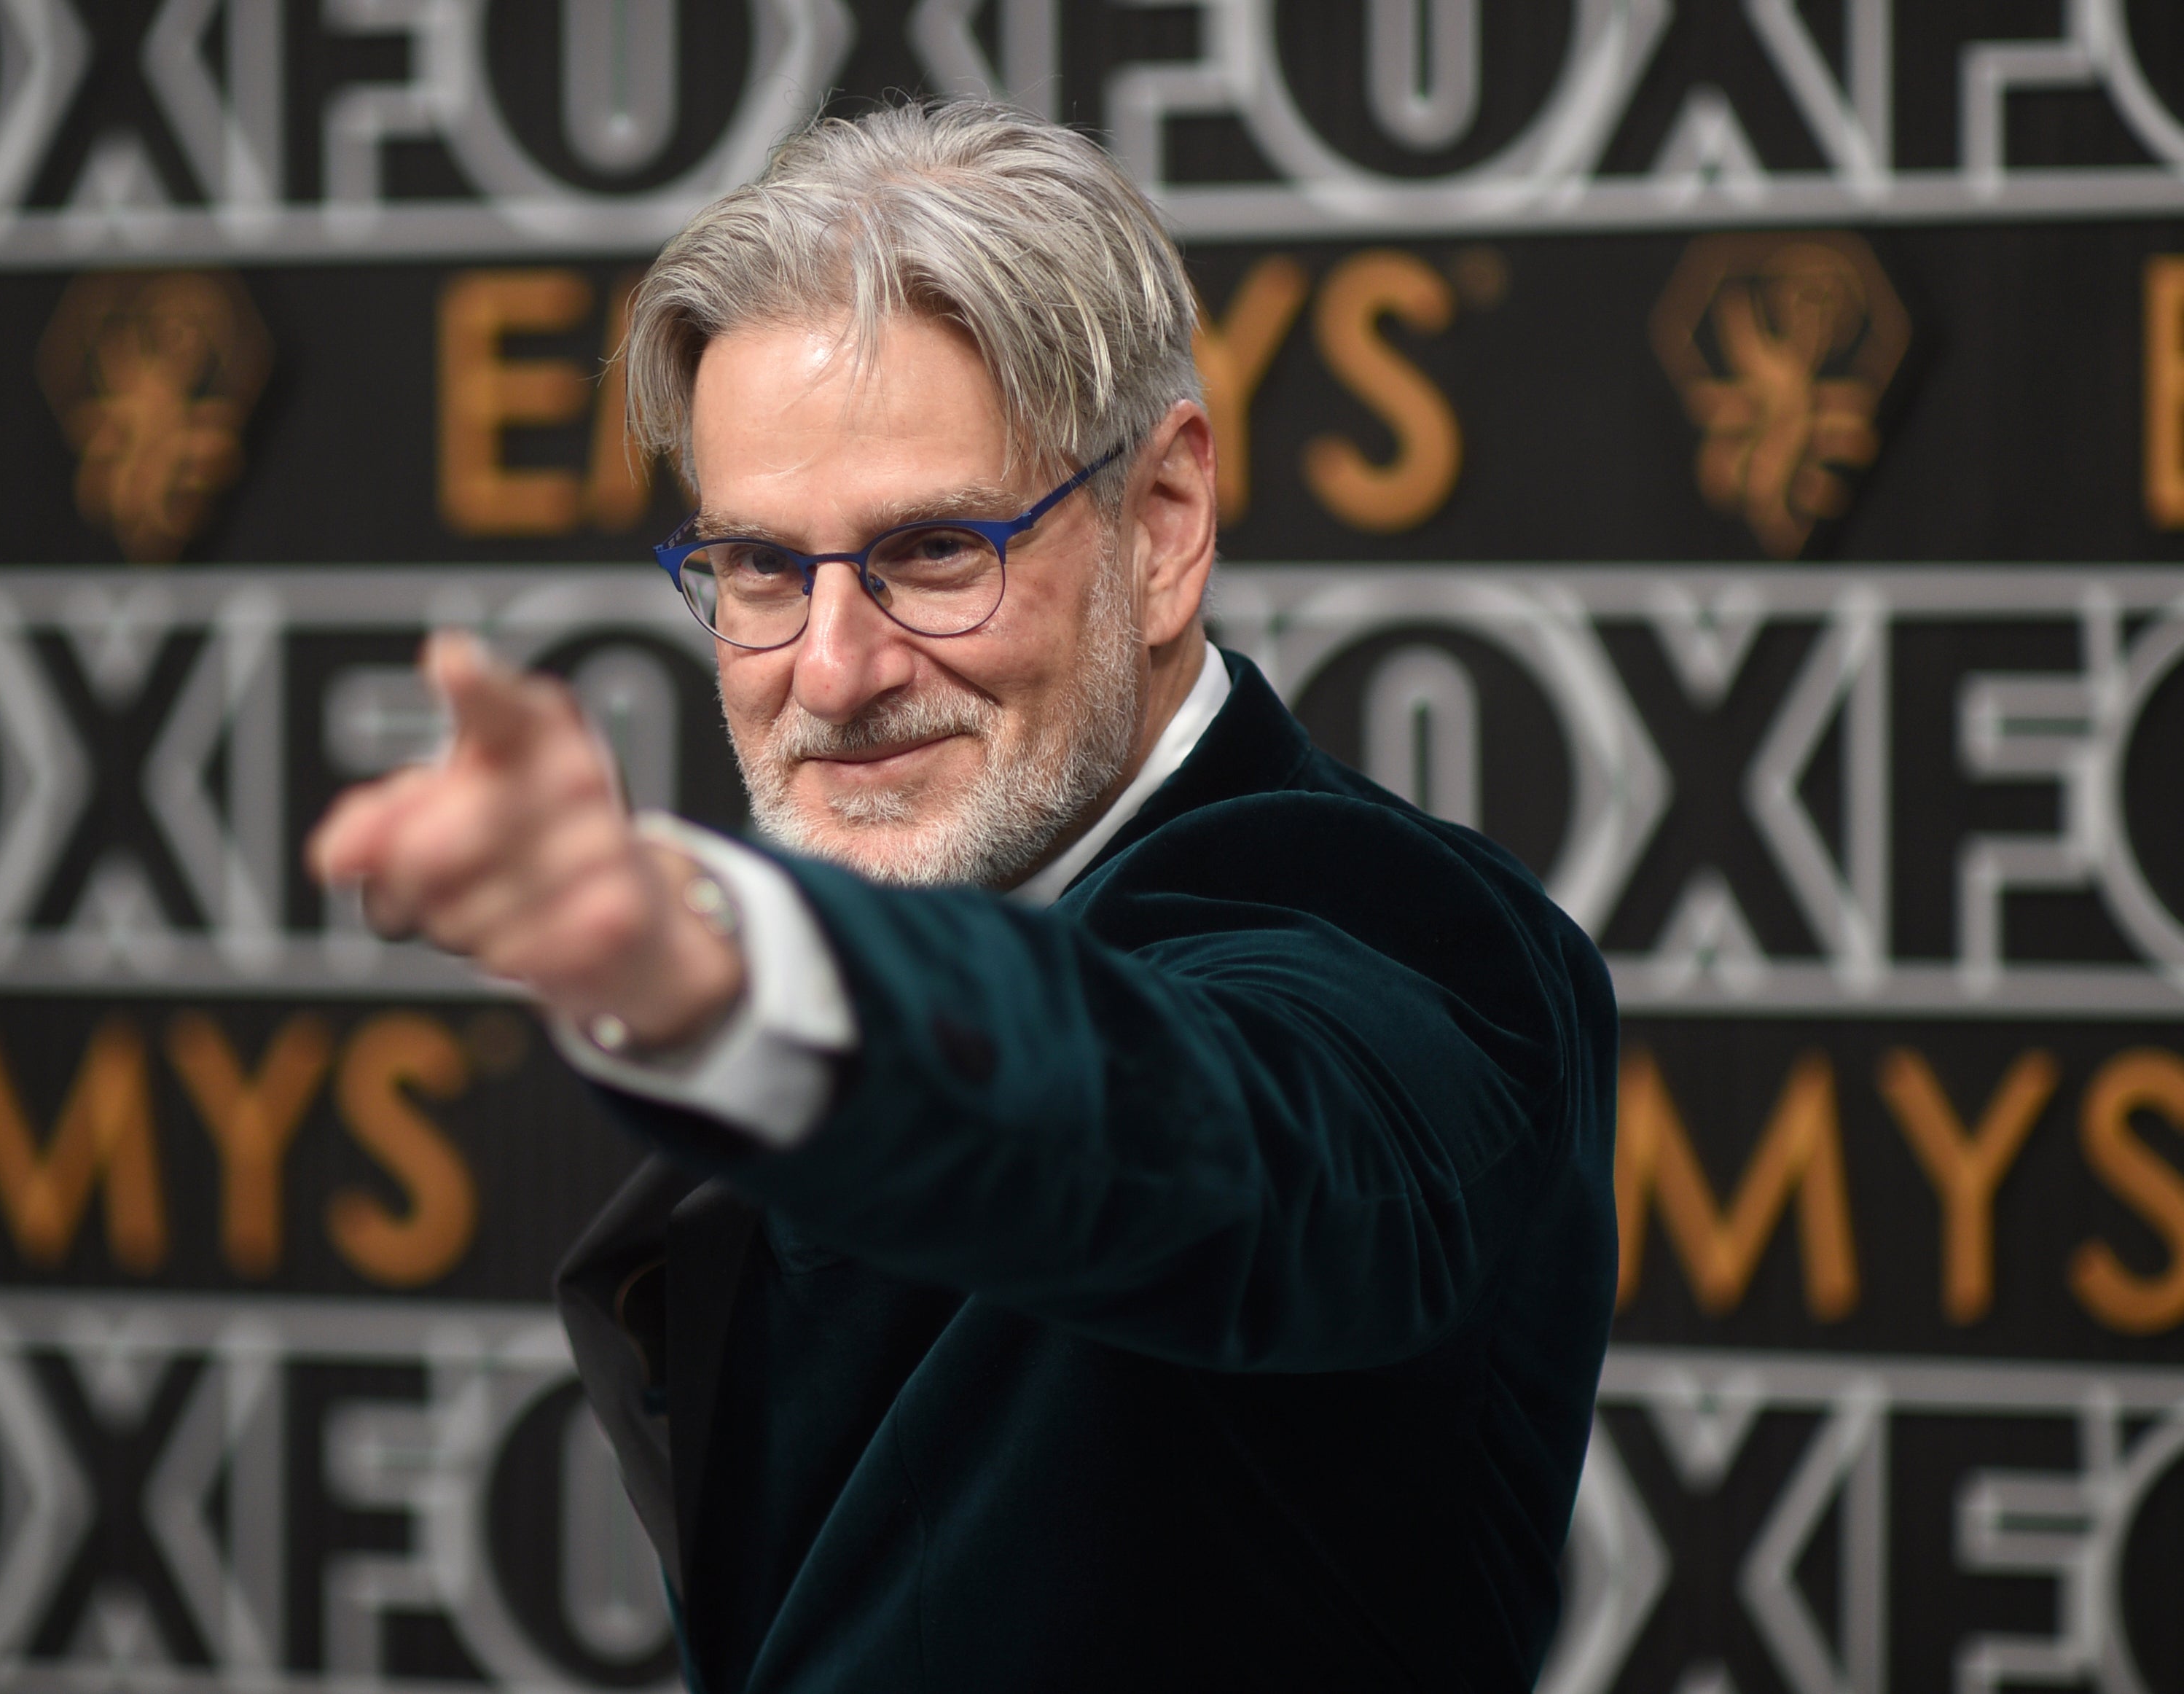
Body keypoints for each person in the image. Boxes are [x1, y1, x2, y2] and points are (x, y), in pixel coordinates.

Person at [310, 99, 1618, 1693]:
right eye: (763, 570)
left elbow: (1213, 1138)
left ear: (1164, 522)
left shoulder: (1405, 938)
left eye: (936, 550)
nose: (835, 672)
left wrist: (729, 976)